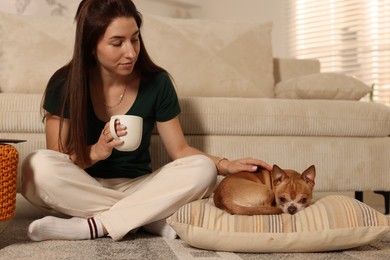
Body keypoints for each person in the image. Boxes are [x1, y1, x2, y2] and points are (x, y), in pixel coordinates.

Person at [21, 0, 272, 242]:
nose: (131, 52)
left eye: (135, 38)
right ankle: (147, 218)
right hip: (83, 187)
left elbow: (180, 150)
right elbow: (59, 158)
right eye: (117, 43)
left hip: (140, 186)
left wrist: (224, 165)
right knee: (37, 166)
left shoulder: (157, 82)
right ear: (90, 46)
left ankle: (95, 225)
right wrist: (96, 152)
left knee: (203, 170)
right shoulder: (64, 83)